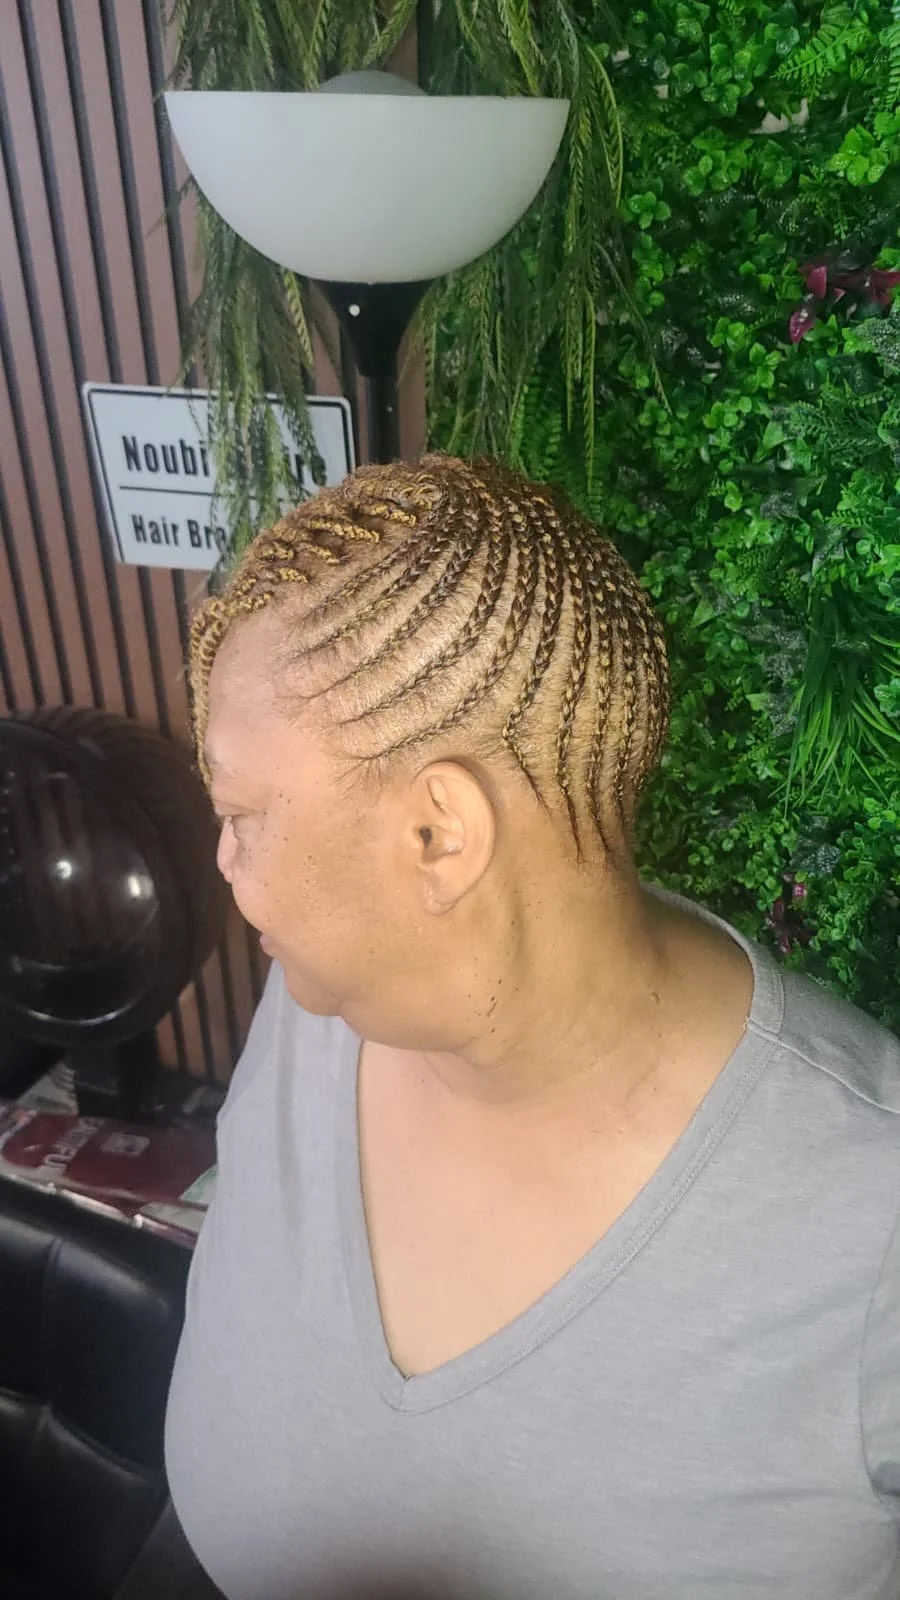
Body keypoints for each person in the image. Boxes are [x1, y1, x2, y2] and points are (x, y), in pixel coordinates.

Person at [165, 454, 900, 1600]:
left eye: (242, 812)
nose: (227, 865)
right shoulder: (319, 1005)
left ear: (438, 836)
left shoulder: (871, 1229)